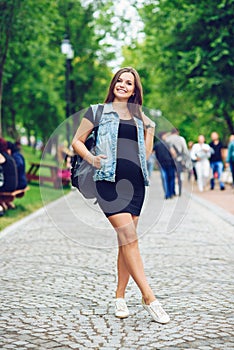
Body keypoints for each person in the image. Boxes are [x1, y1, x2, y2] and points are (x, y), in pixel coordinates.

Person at [72, 67, 170, 324]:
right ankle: (149, 297)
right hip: (108, 181)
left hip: (136, 184)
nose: (123, 85)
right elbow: (77, 141)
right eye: (119, 80)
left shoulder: (138, 119)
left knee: (125, 242)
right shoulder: (97, 111)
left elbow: (145, 155)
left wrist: (150, 128)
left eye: (129, 83)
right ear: (113, 84)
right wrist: (92, 158)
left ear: (135, 90)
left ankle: (119, 297)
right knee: (129, 237)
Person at [166, 128, 189, 196]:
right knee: (179, 175)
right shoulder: (181, 139)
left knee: (171, 176)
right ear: (177, 132)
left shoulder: (167, 139)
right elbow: (185, 150)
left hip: (169, 160)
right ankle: (179, 190)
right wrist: (185, 160)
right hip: (178, 160)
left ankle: (172, 191)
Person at [154, 131, 176, 199]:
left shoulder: (156, 145)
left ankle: (167, 194)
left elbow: (154, 154)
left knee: (165, 178)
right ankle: (171, 192)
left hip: (161, 164)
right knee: (171, 178)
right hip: (170, 163)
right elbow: (173, 153)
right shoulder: (168, 144)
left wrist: (156, 162)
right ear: (163, 136)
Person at [0, 137, 18, 211]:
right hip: (13, 185)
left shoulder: (1, 156)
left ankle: (1, 205)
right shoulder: (8, 156)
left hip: (6, 186)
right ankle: (4, 203)